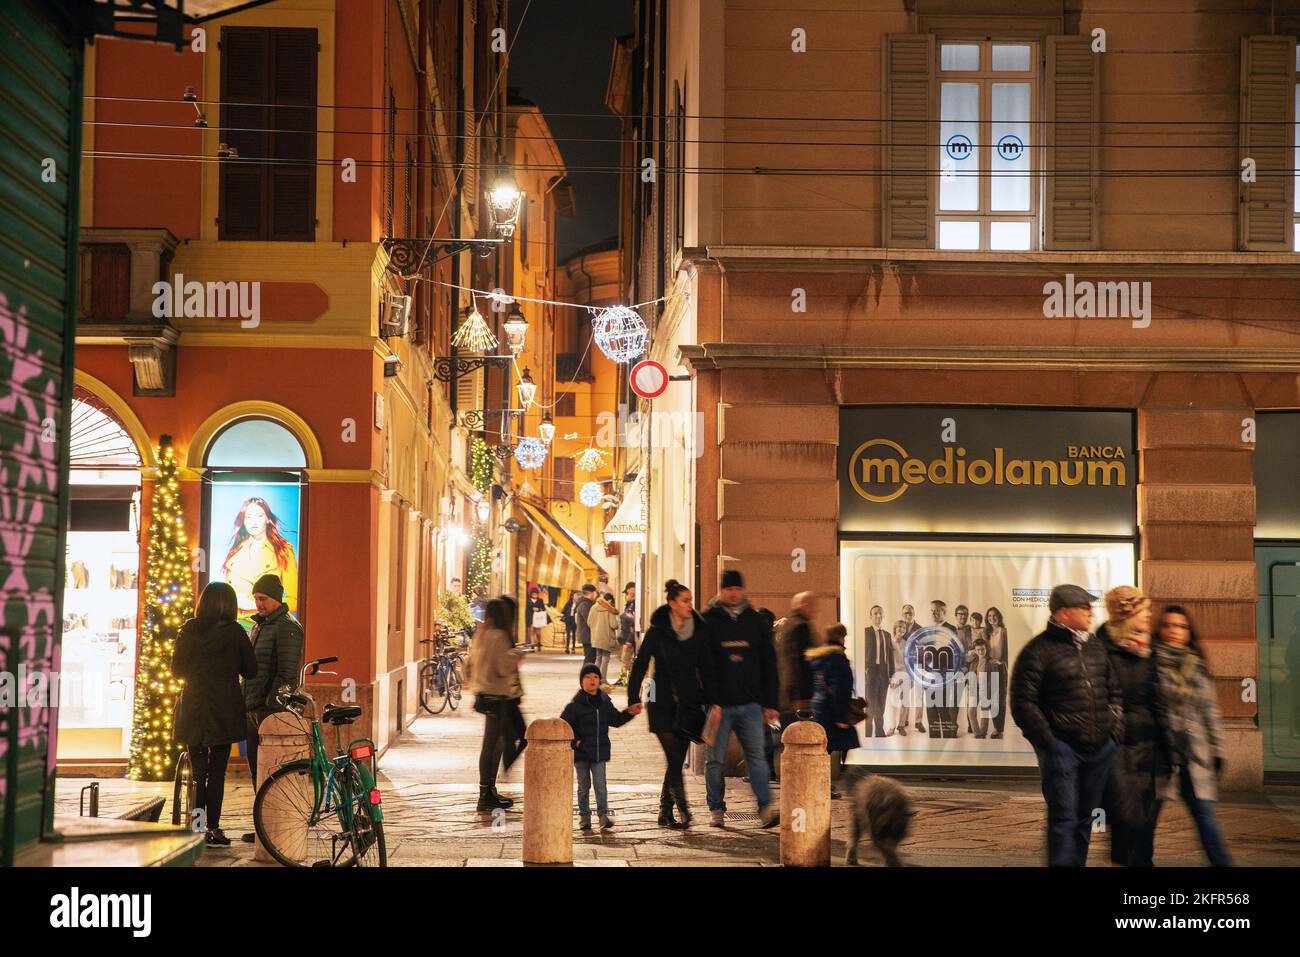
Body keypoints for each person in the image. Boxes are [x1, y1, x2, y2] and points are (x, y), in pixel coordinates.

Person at [1011, 584, 1122, 867]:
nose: (1090, 612)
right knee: (1064, 817)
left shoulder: (1095, 646)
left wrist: (1114, 731)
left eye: (1090, 607)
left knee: (1086, 817)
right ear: (1062, 614)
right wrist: (1049, 742)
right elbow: (1023, 702)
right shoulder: (1038, 650)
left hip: (1099, 748)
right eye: (1083, 607)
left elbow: (1113, 689)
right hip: (1063, 748)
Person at [172, 581, 256, 846]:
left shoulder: (188, 630)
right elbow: (251, 670)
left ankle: (196, 828)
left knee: (198, 770)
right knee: (218, 770)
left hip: (194, 703)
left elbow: (176, 670)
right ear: (229, 605)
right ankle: (214, 829)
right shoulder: (236, 632)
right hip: (224, 707)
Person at [700, 569, 780, 828]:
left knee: (757, 756)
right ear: (721, 591)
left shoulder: (755, 621)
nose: (733, 593)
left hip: (750, 704)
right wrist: (710, 700)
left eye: (736, 588)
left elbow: (769, 663)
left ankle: (765, 807)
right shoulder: (708, 620)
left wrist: (770, 703)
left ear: (742, 590)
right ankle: (716, 808)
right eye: (728, 589)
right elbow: (702, 665)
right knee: (714, 760)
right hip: (718, 706)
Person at [1152, 605, 1232, 866]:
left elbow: (1211, 713)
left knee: (1207, 820)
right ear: (1160, 629)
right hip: (1161, 757)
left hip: (1194, 758)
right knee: (1145, 823)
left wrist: (1218, 751)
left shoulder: (1196, 666)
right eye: (1169, 625)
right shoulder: (1150, 663)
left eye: (1181, 626)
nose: (1174, 631)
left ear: (1189, 632)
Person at [628, 579, 708, 828]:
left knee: (675, 759)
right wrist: (633, 698)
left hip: (689, 704)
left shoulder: (699, 631)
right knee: (673, 756)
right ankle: (683, 808)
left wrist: (713, 699)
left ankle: (664, 811)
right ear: (672, 604)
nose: (690, 605)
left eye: (691, 600)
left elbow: (708, 668)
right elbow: (640, 664)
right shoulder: (658, 631)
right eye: (685, 600)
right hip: (660, 701)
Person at [1099, 585, 1167, 867]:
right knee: (1126, 818)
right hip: (1116, 747)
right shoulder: (1101, 650)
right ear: (1129, 615)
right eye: (1144, 610)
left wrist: (1169, 746)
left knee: (1144, 820)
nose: (1150, 615)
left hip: (1146, 749)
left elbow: (1157, 700)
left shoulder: (1147, 649)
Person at [239, 573, 305, 843]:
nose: (259, 604)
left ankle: (271, 829)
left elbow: (286, 674)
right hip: (253, 708)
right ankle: (261, 828)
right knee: (258, 772)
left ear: (276, 599)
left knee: (270, 774)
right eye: (255, 599)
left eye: (263, 598)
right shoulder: (260, 626)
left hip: (266, 711)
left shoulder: (288, 627)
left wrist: (269, 707)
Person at [467, 598, 526, 813]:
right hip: (497, 696)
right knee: (492, 745)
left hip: (483, 695)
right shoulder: (499, 636)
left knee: (492, 744)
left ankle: (488, 791)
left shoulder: (481, 634)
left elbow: (469, 663)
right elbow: (504, 666)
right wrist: (519, 653)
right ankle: (486, 793)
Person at [561, 664, 638, 830]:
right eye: (587, 677)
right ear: (582, 682)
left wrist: (629, 712)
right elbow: (563, 728)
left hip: (599, 752)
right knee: (583, 786)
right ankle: (584, 817)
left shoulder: (604, 702)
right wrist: (576, 742)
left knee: (600, 785)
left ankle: (603, 815)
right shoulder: (575, 705)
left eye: (595, 677)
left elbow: (615, 720)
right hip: (581, 753)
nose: (592, 680)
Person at [221, 497, 298, 616]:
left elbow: (294, 601)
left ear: (267, 519)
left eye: (259, 515)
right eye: (248, 517)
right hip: (235, 626)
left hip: (266, 626)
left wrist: (253, 605)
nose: (254, 521)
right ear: (243, 521)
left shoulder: (283, 552)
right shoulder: (235, 553)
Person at [806, 623, 861, 790]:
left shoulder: (819, 656)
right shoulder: (837, 658)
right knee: (832, 746)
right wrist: (840, 717)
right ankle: (825, 783)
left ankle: (824, 782)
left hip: (820, 707)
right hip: (832, 710)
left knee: (826, 747)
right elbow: (839, 688)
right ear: (840, 637)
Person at [775, 592, 818, 724]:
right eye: (813, 605)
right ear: (804, 605)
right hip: (800, 694)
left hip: (788, 693)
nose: (816, 610)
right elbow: (797, 663)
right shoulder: (801, 626)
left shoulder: (788, 625)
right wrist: (800, 695)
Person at [863, 604, 894, 738]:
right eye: (875, 613)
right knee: (871, 704)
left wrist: (892, 675)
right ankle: (868, 732)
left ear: (883, 616)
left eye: (880, 613)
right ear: (871, 616)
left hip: (884, 673)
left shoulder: (887, 635)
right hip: (871, 672)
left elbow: (890, 657)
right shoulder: (866, 632)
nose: (878, 616)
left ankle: (879, 731)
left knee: (881, 704)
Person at [984, 606, 1010, 738]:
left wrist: (1003, 663)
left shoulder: (1003, 631)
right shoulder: (986, 632)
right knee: (992, 698)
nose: (992, 618)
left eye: (994, 615)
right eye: (989, 616)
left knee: (1001, 699)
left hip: (1000, 667)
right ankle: (995, 728)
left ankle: (1000, 729)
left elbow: (1006, 652)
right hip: (989, 667)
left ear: (999, 617)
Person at [588, 591, 621, 685]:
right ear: (610, 601)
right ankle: (602, 680)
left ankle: (594, 680)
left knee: (598, 658)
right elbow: (614, 625)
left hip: (596, 638)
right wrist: (618, 623)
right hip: (606, 637)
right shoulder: (609, 609)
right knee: (605, 659)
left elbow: (589, 622)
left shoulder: (593, 607)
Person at [616, 582, 638, 687]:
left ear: (631, 590)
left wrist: (629, 639)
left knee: (626, 660)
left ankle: (624, 680)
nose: (625, 596)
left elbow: (633, 625)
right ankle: (623, 679)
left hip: (629, 638)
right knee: (624, 660)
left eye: (626, 594)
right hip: (625, 637)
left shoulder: (634, 606)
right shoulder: (629, 605)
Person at [573, 584, 596, 664]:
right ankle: (585, 674)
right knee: (589, 658)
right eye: (594, 592)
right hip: (587, 635)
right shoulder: (585, 604)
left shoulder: (584, 603)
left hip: (588, 634)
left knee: (590, 657)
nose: (595, 594)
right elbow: (589, 620)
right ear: (591, 593)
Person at [526, 587, 548, 652]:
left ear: (537, 594)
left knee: (538, 632)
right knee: (532, 631)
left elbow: (544, 609)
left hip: (538, 619)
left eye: (536, 594)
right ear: (531, 594)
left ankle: (538, 642)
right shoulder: (528, 600)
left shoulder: (540, 600)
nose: (534, 595)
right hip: (531, 618)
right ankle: (532, 645)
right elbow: (526, 611)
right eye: (533, 594)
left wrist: (538, 609)